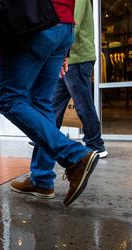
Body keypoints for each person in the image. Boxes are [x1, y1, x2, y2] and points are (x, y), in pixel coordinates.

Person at [0, 0, 100, 206]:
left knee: (8, 99)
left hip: (35, 22)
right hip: (63, 27)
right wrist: (65, 49)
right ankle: (42, 180)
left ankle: (74, 155)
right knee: (42, 102)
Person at [53, 0, 107, 158]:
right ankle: (45, 138)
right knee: (53, 103)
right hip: (66, 59)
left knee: (83, 104)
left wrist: (59, 50)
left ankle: (95, 144)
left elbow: (72, 25)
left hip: (77, 59)